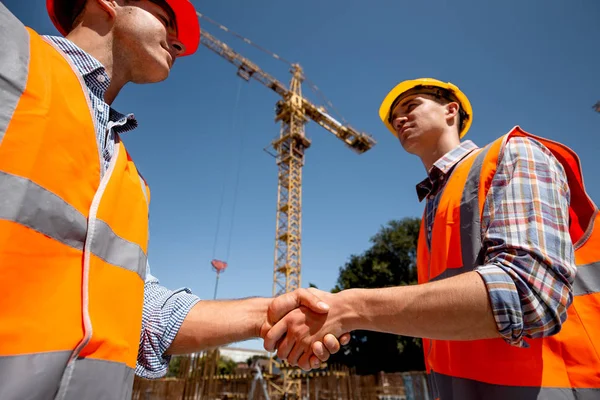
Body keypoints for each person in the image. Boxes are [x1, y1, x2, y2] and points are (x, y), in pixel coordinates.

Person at [0, 1, 346, 399]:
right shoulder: (12, 57)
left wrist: (267, 314)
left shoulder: (129, 180)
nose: (179, 44)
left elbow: (144, 313)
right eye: (167, 19)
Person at [262, 78, 600, 398]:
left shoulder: (513, 153)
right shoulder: (432, 211)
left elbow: (528, 293)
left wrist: (348, 308)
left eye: (410, 105)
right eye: (394, 118)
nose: (399, 119)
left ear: (450, 110)